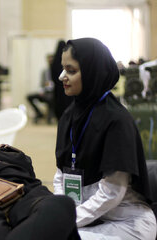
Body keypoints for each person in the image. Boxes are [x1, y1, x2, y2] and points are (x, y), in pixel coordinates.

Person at [53, 38, 157, 239]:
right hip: (88, 217)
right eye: (63, 69)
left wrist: (66, 219)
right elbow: (60, 174)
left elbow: (112, 193)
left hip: (126, 223)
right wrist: (60, 209)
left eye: (71, 70)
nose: (61, 77)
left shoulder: (116, 121)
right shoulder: (69, 116)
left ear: (92, 72)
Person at [27, 53, 55, 124]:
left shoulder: (57, 71)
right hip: (45, 92)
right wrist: (41, 91)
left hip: (53, 93)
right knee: (29, 97)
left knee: (51, 99)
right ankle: (39, 113)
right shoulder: (45, 71)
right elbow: (42, 84)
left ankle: (50, 116)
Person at [51, 40, 73, 120]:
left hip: (57, 88)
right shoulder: (67, 61)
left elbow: (53, 76)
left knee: (59, 107)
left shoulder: (54, 63)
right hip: (67, 87)